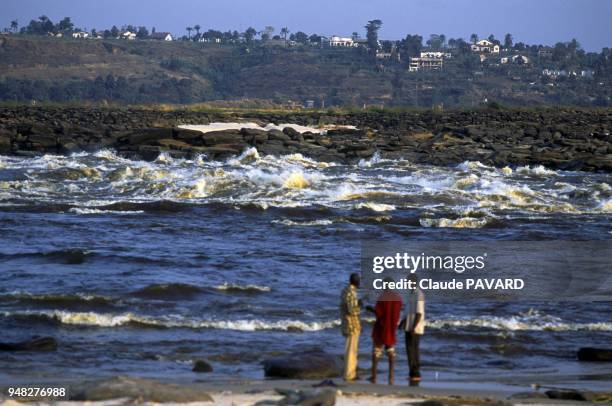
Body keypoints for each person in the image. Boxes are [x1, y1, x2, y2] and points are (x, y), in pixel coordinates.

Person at [367, 278, 402, 385]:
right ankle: (391, 377)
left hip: (381, 328)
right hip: (391, 328)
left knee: (377, 352)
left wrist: (369, 308)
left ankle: (374, 376)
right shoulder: (398, 298)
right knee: (391, 351)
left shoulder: (382, 297)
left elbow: (379, 313)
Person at [403, 274, 425, 382]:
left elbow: (419, 313)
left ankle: (416, 373)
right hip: (409, 326)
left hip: (414, 328)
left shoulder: (418, 294)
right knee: (409, 351)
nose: (407, 284)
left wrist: (413, 327)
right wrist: (402, 322)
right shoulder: (411, 294)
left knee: (414, 351)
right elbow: (409, 312)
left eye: (408, 282)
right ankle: (412, 373)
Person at [340, 272, 362, 381]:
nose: (360, 283)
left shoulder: (346, 290)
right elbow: (352, 310)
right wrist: (360, 306)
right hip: (351, 324)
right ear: (355, 281)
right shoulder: (351, 292)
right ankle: (349, 375)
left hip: (348, 323)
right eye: (359, 280)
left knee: (351, 349)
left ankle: (351, 373)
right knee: (351, 350)